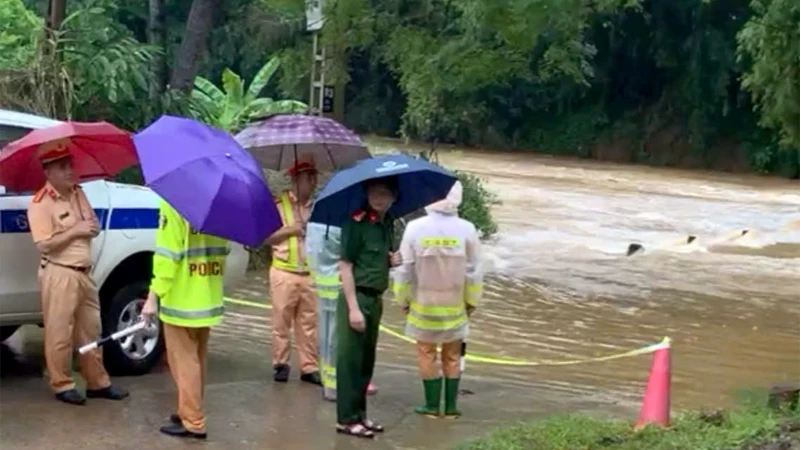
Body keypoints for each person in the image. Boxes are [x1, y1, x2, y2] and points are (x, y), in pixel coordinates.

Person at [26, 142, 129, 406]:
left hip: (84, 272)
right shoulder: (40, 203)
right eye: (63, 167)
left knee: (91, 330)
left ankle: (98, 382)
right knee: (60, 332)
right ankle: (62, 384)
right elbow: (44, 244)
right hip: (60, 272)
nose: (71, 171)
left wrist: (89, 227)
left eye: (71, 165)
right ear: (48, 172)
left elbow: (91, 224)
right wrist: (77, 230)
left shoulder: (78, 194)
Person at [141, 199, 230, 440]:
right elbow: (225, 249)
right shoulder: (216, 206)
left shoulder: (174, 204)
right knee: (197, 360)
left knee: (184, 363)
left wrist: (153, 296)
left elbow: (167, 256)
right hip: (207, 296)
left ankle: (192, 421)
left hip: (182, 299)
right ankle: (189, 410)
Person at [393, 181, 482, 418]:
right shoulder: (467, 229)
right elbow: (474, 271)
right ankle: (451, 408)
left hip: (423, 305)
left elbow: (404, 269)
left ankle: (431, 406)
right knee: (453, 355)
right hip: (455, 306)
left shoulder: (414, 228)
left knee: (426, 353)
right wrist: (472, 301)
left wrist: (402, 299)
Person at [336, 176, 402, 439]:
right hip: (358, 297)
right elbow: (346, 266)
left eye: (385, 194)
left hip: (376, 297)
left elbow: (377, 258)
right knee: (350, 361)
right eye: (374, 192)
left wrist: (391, 260)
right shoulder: (356, 223)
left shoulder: (388, 223)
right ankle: (346, 419)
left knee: (366, 361)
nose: (379, 198)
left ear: (393, 197)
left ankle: (361, 415)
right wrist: (353, 308)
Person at [305, 223, 380, 402]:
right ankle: (337, 384)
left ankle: (331, 382)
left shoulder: (317, 221)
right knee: (339, 339)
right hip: (342, 286)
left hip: (325, 284)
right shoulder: (346, 225)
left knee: (328, 336)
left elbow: (312, 256)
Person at [264, 156, 321, 385]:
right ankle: (281, 364)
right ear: (296, 179)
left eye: (314, 177)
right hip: (284, 271)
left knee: (309, 324)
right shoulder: (279, 205)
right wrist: (292, 230)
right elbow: (266, 237)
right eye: (309, 177)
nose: (313, 182)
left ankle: (309, 367)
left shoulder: (318, 207)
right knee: (281, 321)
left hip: (310, 273)